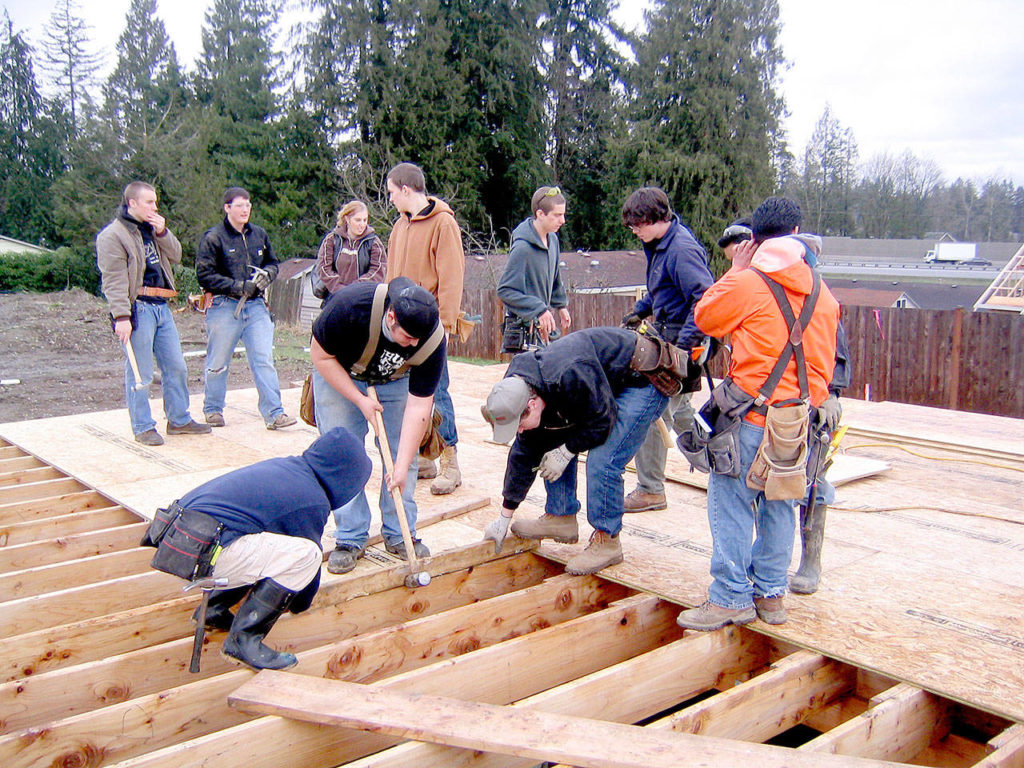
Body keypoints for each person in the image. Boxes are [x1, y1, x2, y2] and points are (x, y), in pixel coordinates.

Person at [675, 197, 840, 631]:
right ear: (799, 231)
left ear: (755, 239)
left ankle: (730, 598)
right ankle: (770, 596)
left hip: (750, 420)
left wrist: (737, 271)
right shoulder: (824, 295)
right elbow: (822, 373)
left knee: (731, 502)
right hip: (793, 424)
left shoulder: (749, 283)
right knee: (781, 506)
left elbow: (706, 317)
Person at [172, 427, 371, 670]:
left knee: (263, 544)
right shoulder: (312, 498)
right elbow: (307, 572)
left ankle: (213, 609)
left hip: (178, 537)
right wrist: (299, 604)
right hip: (201, 549)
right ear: (345, 479)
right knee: (306, 555)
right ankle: (243, 639)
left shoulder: (288, 469)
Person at [481, 327, 668, 575]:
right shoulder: (518, 386)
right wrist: (504, 517)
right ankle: (561, 516)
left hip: (643, 379)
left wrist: (567, 451)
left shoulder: (569, 374)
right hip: (599, 384)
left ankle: (608, 540)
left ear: (532, 404)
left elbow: (603, 420)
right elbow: (523, 453)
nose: (520, 431)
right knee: (546, 436)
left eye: (519, 425)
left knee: (603, 459)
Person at [311, 277, 447, 574]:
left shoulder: (432, 340)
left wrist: (401, 464)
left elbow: (420, 406)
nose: (414, 345)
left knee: (404, 459)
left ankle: (400, 533)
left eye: (418, 340)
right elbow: (320, 356)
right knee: (341, 455)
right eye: (408, 337)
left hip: (397, 381)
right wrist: (359, 400)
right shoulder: (351, 306)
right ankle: (349, 537)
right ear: (391, 317)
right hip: (340, 372)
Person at [619, 187, 714, 513]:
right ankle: (717, 459)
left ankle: (650, 490)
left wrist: (683, 348)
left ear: (657, 219)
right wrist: (642, 309)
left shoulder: (682, 250)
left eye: (637, 225)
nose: (634, 231)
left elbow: (704, 300)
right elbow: (664, 290)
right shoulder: (660, 244)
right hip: (669, 334)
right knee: (681, 408)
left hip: (682, 341)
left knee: (653, 414)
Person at [96, 181, 212, 446]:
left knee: (176, 366)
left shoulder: (152, 230)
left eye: (155, 202)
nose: (155, 207)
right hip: (138, 307)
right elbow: (113, 280)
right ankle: (143, 426)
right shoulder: (112, 236)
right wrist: (121, 317)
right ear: (132, 203)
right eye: (149, 202)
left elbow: (177, 255)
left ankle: (179, 420)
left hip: (162, 307)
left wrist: (163, 232)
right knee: (141, 372)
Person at [385, 162, 465, 494]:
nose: (390, 199)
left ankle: (451, 463)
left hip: (430, 325)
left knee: (437, 392)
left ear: (406, 189)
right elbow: (390, 279)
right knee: (407, 393)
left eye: (391, 192)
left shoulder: (443, 224)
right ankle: (425, 457)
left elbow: (452, 276)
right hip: (400, 325)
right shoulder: (397, 229)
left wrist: (444, 324)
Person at [196, 186, 296, 431]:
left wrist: (268, 276)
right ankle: (213, 409)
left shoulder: (259, 235)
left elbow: (273, 263)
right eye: (239, 205)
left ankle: (274, 413)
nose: (245, 210)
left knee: (264, 360)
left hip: (256, 307)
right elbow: (204, 275)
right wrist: (238, 286)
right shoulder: (214, 237)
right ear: (227, 208)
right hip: (224, 306)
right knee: (218, 361)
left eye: (248, 205)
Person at [497, 185, 572, 351]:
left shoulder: (553, 241)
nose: (563, 220)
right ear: (540, 214)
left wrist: (561, 306)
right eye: (557, 215)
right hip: (526, 334)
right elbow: (505, 290)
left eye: (563, 214)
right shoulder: (523, 248)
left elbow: (555, 278)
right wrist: (538, 309)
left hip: (543, 333)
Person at [314, 199, 387, 300]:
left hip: (362, 300)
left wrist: (354, 290)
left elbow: (378, 272)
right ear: (347, 219)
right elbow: (323, 268)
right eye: (358, 220)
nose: (362, 224)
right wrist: (340, 290)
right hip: (334, 298)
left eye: (365, 220)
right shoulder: (331, 240)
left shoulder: (374, 243)